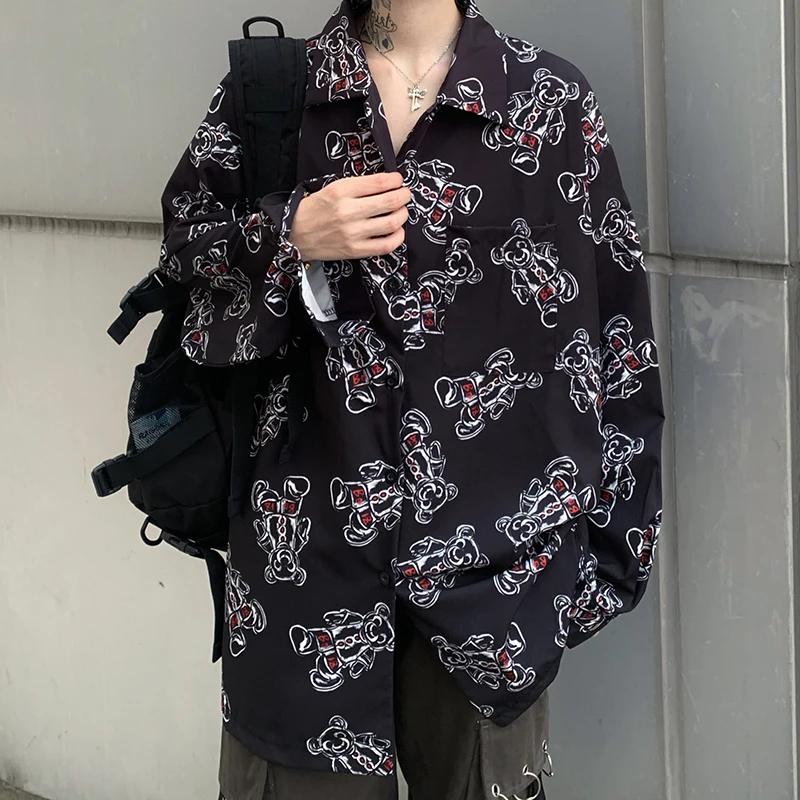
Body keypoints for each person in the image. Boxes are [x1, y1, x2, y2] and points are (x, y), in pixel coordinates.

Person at [157, 0, 665, 797]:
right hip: (303, 581)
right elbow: (184, 262)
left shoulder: (548, 102)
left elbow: (619, 341)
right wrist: (289, 234)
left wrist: (601, 570)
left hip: (495, 590)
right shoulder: (275, 95)